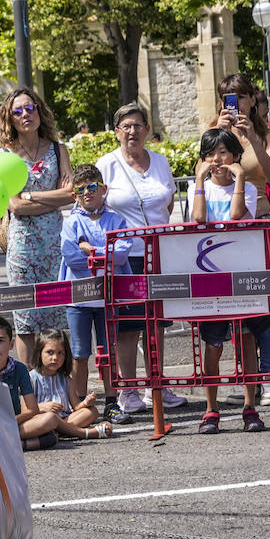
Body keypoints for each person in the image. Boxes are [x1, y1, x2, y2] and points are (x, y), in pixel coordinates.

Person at [94, 103, 187, 415]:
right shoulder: (107, 164)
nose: (132, 131)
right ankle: (129, 391)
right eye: (126, 126)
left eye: (137, 125)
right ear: (117, 132)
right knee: (129, 325)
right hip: (125, 257)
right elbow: (94, 205)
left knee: (158, 322)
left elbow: (169, 199)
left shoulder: (160, 162)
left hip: (160, 253)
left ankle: (156, 384)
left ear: (148, 129)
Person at [190, 128, 267, 433]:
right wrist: (197, 181)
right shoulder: (202, 188)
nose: (217, 160)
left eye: (223, 152)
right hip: (209, 276)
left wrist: (240, 178)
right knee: (213, 344)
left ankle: (250, 406)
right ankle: (211, 408)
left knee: (246, 340)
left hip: (241, 272)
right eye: (210, 153)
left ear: (235, 156)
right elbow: (197, 218)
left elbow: (237, 215)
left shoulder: (244, 187)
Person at [0, 87, 73, 362]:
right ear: (10, 118)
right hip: (22, 249)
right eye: (18, 111)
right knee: (26, 321)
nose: (25, 115)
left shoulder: (57, 149)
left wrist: (31, 195)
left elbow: (70, 194)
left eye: (30, 108)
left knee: (60, 317)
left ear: (40, 111)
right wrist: (52, 198)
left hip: (55, 244)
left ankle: (60, 386)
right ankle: (30, 390)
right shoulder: (6, 156)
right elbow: (14, 206)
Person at [59, 165, 132, 421]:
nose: (87, 193)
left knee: (109, 350)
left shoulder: (116, 220)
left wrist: (91, 250)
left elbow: (121, 253)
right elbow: (71, 256)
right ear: (74, 195)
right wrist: (104, 252)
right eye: (81, 189)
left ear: (103, 189)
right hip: (79, 297)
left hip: (110, 295)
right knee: (80, 353)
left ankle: (112, 402)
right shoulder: (70, 222)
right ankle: (79, 404)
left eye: (92, 187)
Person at [0, 317, 58, 451]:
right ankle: (12, 444)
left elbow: (33, 409)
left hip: (14, 424)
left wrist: (13, 421)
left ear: (11, 344)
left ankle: (4, 445)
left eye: (0, 341)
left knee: (51, 420)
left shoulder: (19, 369)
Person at [211, 73, 270, 216]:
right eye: (229, 99)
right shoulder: (213, 133)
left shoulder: (267, 136)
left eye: (241, 97)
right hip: (223, 216)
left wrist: (254, 141)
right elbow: (200, 173)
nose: (236, 104)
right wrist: (218, 136)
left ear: (253, 100)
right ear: (222, 103)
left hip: (258, 215)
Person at [29, 329, 110, 439]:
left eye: (60, 353)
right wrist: (41, 407)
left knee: (92, 411)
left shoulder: (66, 379)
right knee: (48, 419)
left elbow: (76, 406)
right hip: (43, 420)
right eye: (50, 352)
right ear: (39, 353)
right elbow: (25, 410)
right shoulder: (32, 378)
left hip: (66, 420)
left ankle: (59, 432)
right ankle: (73, 432)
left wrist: (86, 402)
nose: (55, 358)